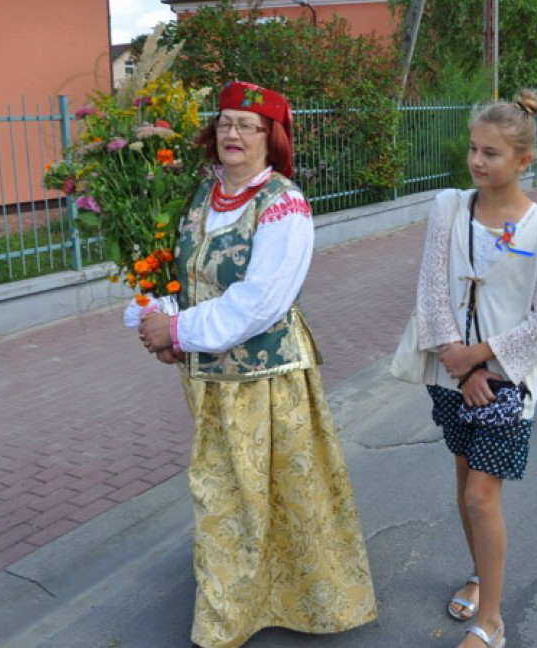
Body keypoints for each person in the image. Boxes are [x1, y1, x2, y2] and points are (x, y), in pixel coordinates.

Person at [130, 82, 377, 648]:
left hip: (268, 375)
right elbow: (182, 274)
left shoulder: (283, 204)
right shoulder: (202, 193)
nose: (231, 134)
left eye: (247, 124)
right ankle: (246, 599)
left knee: (274, 490)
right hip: (208, 375)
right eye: (224, 123)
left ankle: (255, 614)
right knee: (231, 489)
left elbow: (260, 302)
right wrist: (159, 318)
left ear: (272, 138)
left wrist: (180, 331)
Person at [413, 89, 537, 648]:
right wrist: (459, 362)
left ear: (523, 161)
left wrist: (482, 358)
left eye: (492, 153)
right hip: (453, 373)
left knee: (482, 495)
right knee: (463, 483)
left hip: (509, 381)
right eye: (474, 149)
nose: (478, 161)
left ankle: (492, 621)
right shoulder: (448, 208)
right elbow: (431, 291)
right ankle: (480, 575)